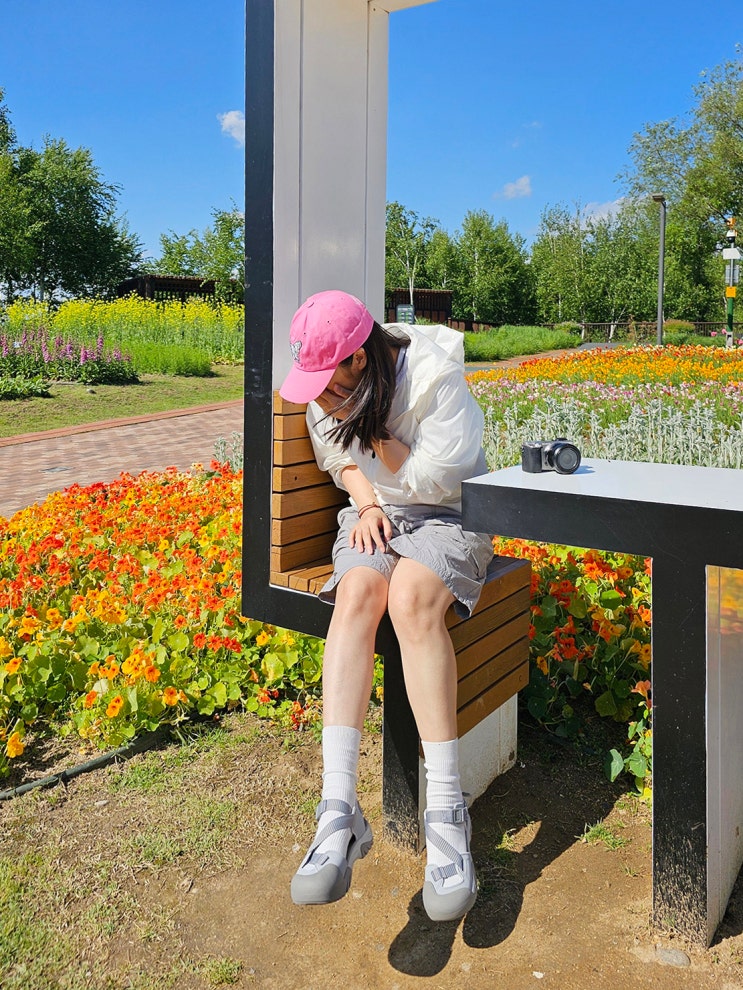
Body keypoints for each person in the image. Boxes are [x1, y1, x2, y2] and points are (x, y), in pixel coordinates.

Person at [279, 289, 493, 922]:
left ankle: (446, 813)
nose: (320, 397)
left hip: (451, 514)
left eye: (328, 383)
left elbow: (440, 479)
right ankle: (338, 808)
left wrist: (370, 427)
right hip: (380, 510)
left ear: (359, 360)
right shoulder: (335, 388)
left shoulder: (434, 377)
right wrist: (367, 500)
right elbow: (336, 456)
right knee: (357, 594)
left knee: (410, 598)